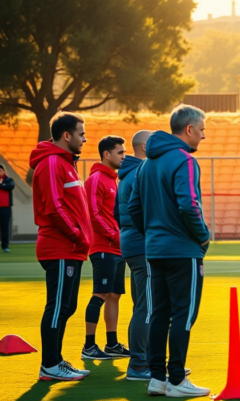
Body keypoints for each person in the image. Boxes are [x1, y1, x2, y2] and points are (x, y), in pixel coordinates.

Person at [128, 105, 210, 397]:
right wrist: (203, 237)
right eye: (201, 130)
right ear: (188, 129)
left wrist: (152, 233)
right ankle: (177, 380)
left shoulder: (145, 164)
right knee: (183, 315)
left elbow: (133, 207)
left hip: (154, 251)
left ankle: (157, 378)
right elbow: (189, 204)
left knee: (159, 314)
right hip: (183, 251)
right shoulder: (184, 160)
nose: (203, 136)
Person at [30, 112, 93, 381]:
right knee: (57, 307)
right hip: (60, 247)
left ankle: (55, 361)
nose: (85, 139)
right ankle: (50, 365)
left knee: (67, 307)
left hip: (72, 249)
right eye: (81, 134)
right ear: (66, 135)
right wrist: (78, 235)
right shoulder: (52, 162)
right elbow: (54, 207)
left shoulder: (66, 163)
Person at [82, 136, 129, 361]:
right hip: (103, 247)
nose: (124, 156)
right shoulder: (95, 179)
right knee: (100, 293)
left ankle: (112, 344)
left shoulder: (114, 180)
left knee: (114, 295)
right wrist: (115, 236)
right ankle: (89, 346)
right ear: (106, 154)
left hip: (117, 248)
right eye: (120, 152)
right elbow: (92, 214)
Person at [115, 130, 152, 380]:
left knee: (143, 305)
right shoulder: (141, 173)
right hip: (143, 246)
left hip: (132, 243)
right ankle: (139, 365)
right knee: (147, 307)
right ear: (145, 146)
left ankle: (151, 362)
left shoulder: (128, 174)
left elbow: (118, 214)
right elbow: (147, 212)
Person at [0, 164, 15, 252]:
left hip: (6, 208)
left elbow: (10, 186)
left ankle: (5, 246)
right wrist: (0, 185)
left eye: (1, 171)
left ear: (4, 171)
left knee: (5, 228)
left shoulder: (9, 180)